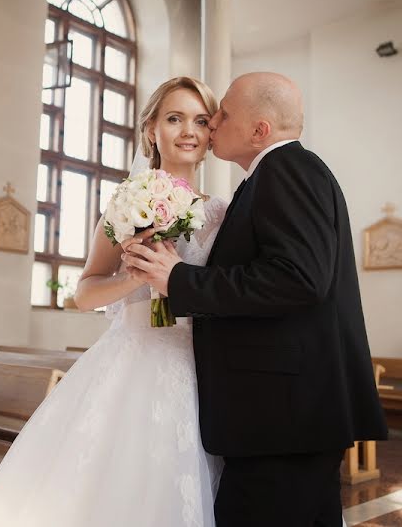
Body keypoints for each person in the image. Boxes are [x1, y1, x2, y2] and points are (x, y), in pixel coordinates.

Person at [123, 72, 388, 527]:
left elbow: (300, 278)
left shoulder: (287, 172)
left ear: (259, 130)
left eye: (221, 114)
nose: (212, 124)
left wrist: (181, 281)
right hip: (280, 414)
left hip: (285, 415)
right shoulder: (273, 176)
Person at [0, 77, 228, 526]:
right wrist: (133, 278)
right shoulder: (127, 202)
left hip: (202, 366)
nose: (189, 131)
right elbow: (83, 293)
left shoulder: (223, 213)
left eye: (201, 120)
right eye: (175, 118)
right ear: (151, 130)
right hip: (134, 360)